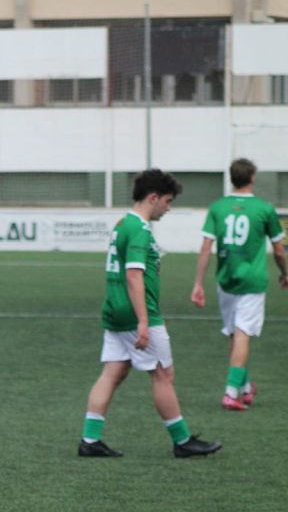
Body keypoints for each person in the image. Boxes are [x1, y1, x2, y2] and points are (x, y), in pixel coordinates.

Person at [78, 169, 222, 459]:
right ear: (153, 198)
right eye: (167, 201)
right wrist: (144, 321)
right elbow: (134, 275)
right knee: (163, 374)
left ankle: (90, 440)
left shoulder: (123, 223)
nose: (169, 208)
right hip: (136, 313)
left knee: (113, 372)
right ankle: (182, 441)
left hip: (115, 310)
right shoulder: (139, 230)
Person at [191, 158, 288, 410]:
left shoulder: (218, 207)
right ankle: (231, 393)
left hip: (225, 279)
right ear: (252, 177)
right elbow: (279, 250)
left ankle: (244, 388)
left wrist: (198, 283)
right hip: (253, 281)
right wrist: (285, 273)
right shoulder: (264, 208)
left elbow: (205, 246)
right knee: (243, 333)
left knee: (235, 333)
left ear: (231, 178)